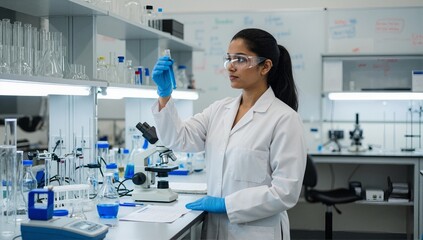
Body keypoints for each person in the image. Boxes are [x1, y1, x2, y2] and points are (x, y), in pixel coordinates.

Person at [151, 28, 306, 240]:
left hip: (256, 231)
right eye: (229, 58)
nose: (230, 66)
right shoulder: (219, 110)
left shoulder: (284, 119)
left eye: (240, 59)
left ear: (265, 66)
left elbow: (285, 192)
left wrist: (227, 204)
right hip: (216, 229)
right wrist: (165, 96)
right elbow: (178, 139)